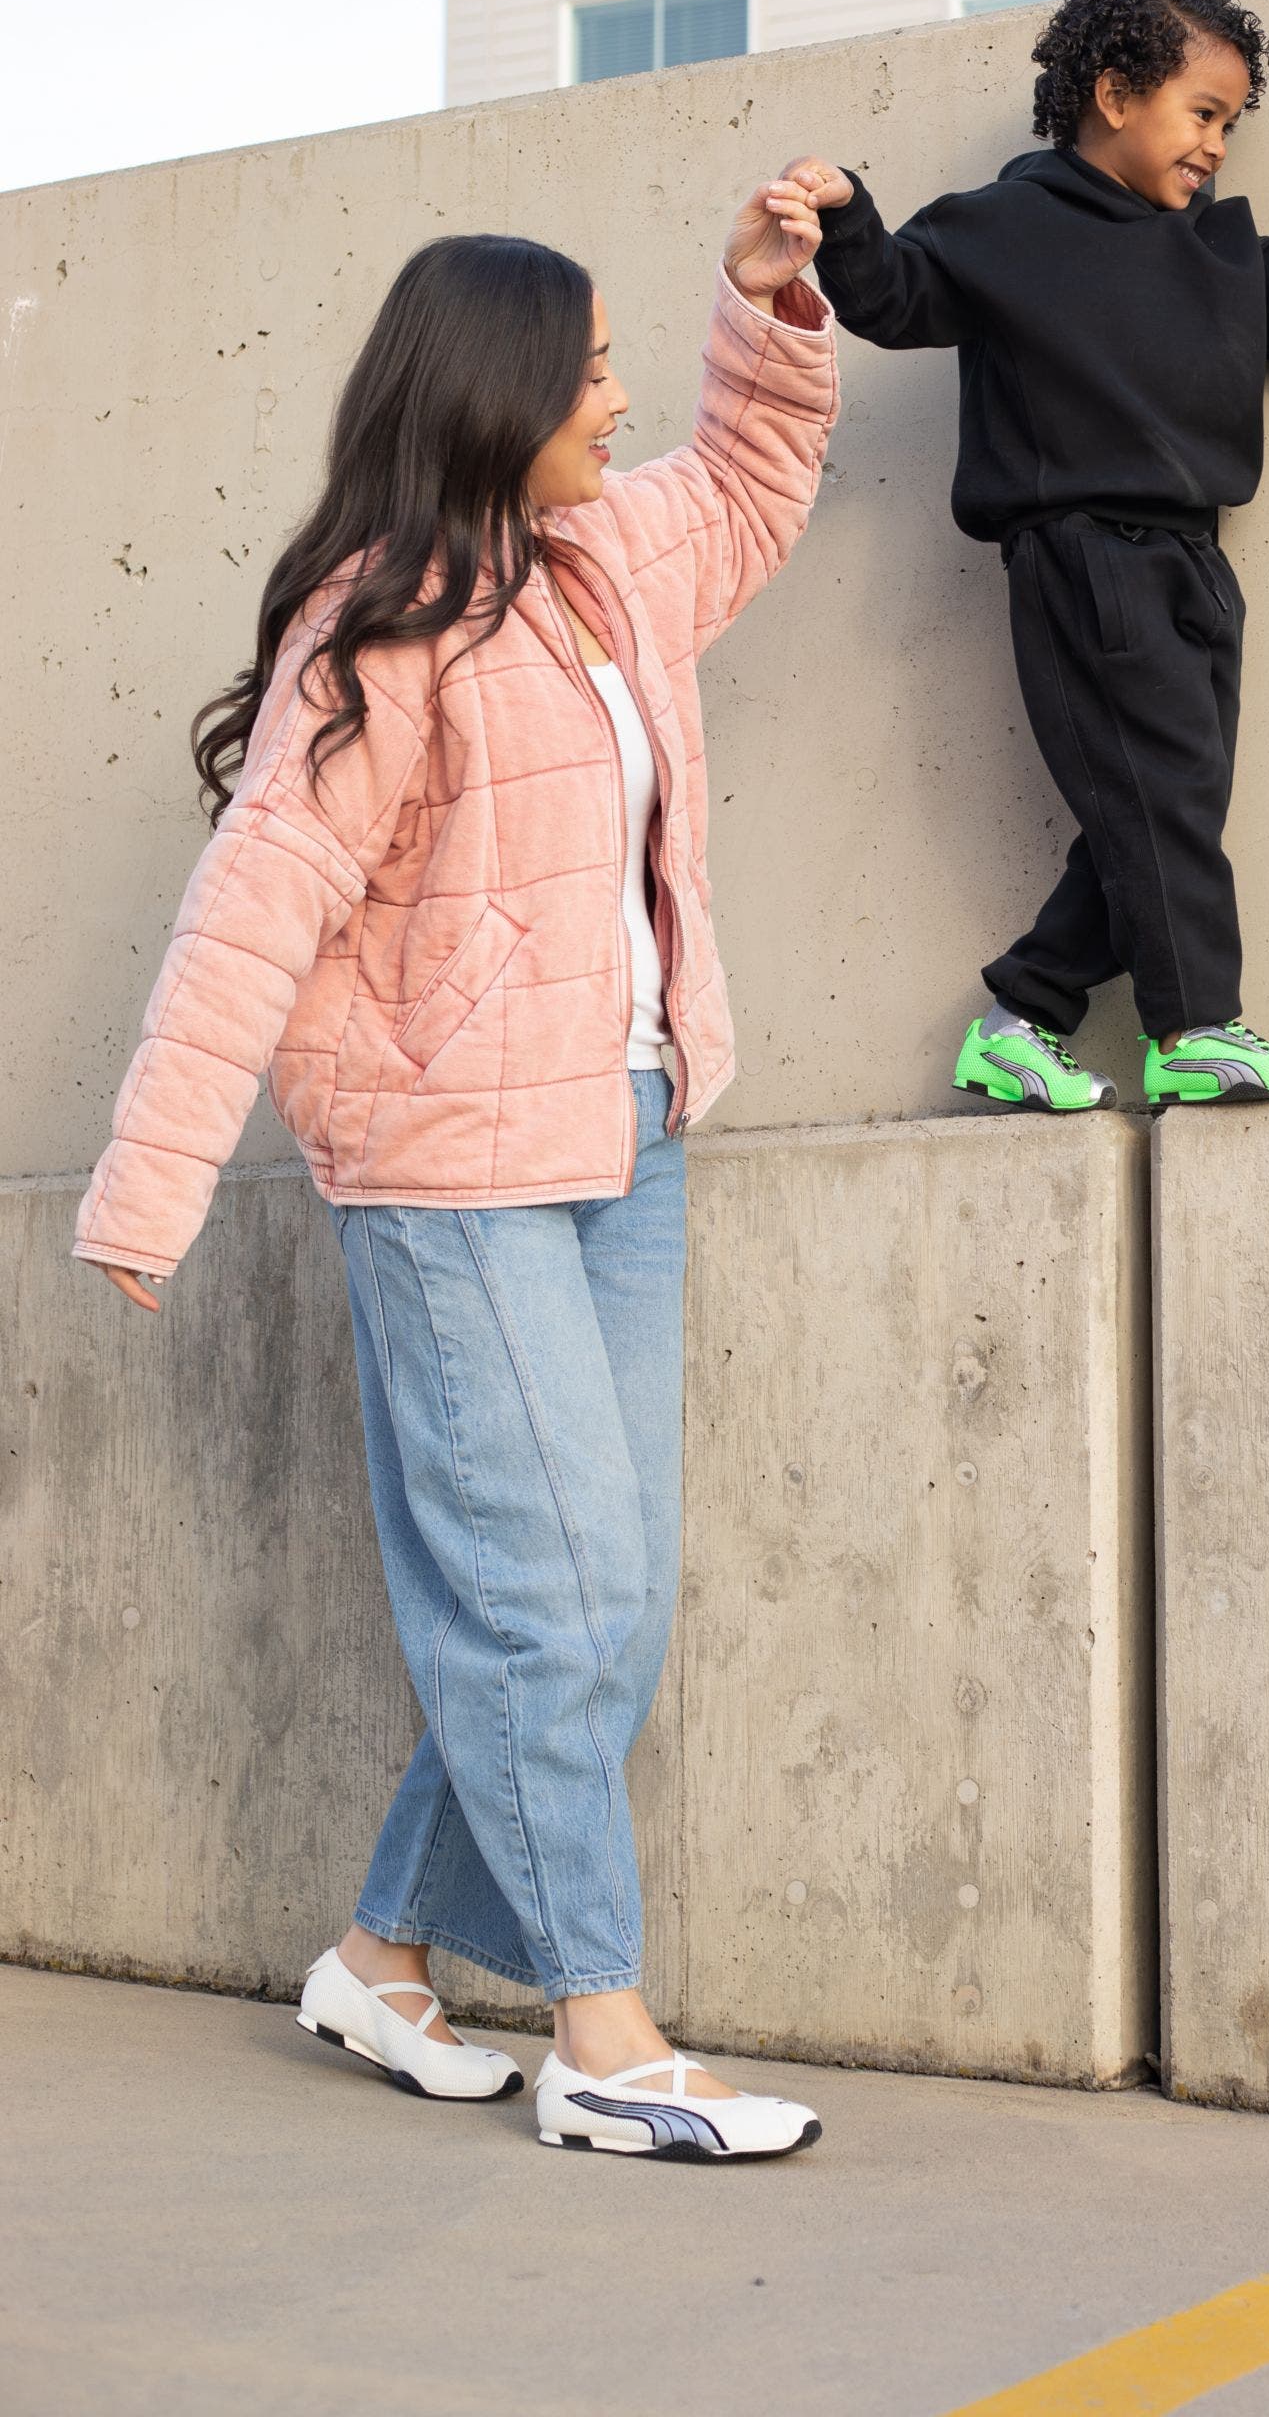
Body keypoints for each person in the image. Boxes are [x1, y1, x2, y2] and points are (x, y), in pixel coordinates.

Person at [74, 181, 840, 2163]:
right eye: (589, 370)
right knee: (553, 1595)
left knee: (600, 1604)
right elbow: (255, 902)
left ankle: (384, 1954)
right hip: (447, 1171)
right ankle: (601, 2034)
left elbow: (751, 484)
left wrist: (763, 311)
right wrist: (151, 1183)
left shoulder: (602, 563)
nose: (615, 399)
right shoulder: (383, 622)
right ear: (495, 391)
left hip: (626, 1137)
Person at [786, 0, 1269, 1114]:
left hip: (1195, 562)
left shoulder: (1223, 251)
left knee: (1163, 810)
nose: (1217, 146)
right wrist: (849, 216)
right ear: (1114, 96)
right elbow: (896, 299)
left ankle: (1021, 1020)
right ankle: (1193, 1030)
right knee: (1160, 807)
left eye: (1229, 123)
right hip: (1082, 557)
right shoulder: (1006, 228)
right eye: (1203, 113)